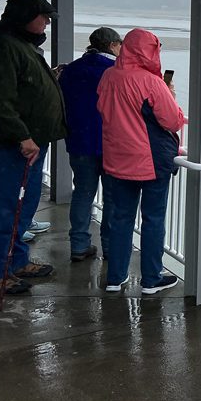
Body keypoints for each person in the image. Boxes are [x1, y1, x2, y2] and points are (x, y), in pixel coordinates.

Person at [0, 0, 66, 294]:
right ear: (25, 16)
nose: (47, 24)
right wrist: (22, 136)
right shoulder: (1, 46)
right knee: (4, 207)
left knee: (22, 207)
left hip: (28, 145)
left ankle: (16, 261)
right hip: (8, 146)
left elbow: (19, 84)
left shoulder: (19, 44)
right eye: (43, 17)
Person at [96, 28, 184, 294]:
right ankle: (151, 279)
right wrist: (171, 96)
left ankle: (115, 277)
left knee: (121, 218)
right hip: (151, 160)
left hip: (117, 158)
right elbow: (173, 121)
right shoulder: (152, 82)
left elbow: (102, 109)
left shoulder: (109, 76)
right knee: (153, 218)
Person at [58, 26, 122, 261]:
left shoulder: (71, 70)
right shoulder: (116, 71)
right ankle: (110, 248)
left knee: (83, 193)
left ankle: (79, 245)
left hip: (79, 140)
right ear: (113, 45)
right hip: (110, 142)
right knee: (113, 198)